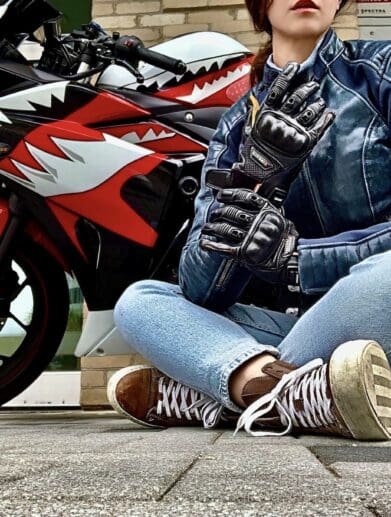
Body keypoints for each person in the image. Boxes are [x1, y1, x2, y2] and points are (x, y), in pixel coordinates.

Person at [107, 0, 391, 440]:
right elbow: (200, 290)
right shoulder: (236, 124)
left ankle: (231, 388)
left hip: (371, 303)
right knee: (141, 301)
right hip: (299, 327)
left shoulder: (381, 70)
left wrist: (298, 259)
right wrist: (254, 181)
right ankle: (303, 395)